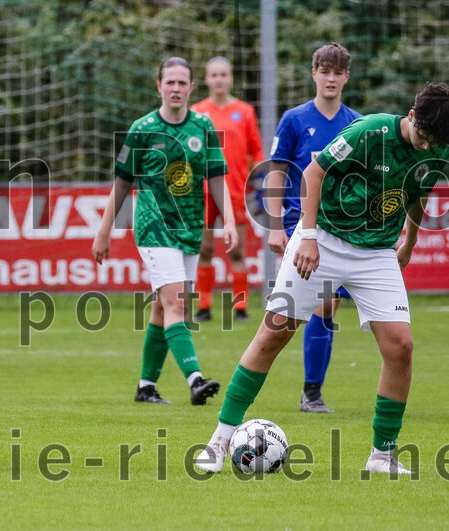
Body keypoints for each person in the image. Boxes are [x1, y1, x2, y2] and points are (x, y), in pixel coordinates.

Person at [195, 83, 449, 475]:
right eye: (424, 138)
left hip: (376, 252)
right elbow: (313, 171)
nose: (428, 147)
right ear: (412, 117)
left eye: (436, 143)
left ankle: (382, 455)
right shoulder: (368, 131)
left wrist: (409, 241)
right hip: (323, 238)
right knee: (273, 333)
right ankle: (218, 442)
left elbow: (418, 190)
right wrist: (307, 236)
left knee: (401, 346)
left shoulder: (437, 144)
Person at [93, 57, 237, 407]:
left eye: (181, 83)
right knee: (177, 303)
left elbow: (217, 178)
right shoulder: (142, 129)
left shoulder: (203, 127)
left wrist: (229, 220)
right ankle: (196, 379)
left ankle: (146, 386)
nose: (175, 88)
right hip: (154, 228)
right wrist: (104, 231)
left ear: (191, 88)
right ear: (159, 86)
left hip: (189, 228)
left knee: (162, 307)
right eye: (169, 82)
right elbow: (122, 184)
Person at [266, 42, 361, 412]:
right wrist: (274, 226)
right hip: (296, 225)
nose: (332, 78)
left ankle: (312, 392)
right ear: (314, 74)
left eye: (338, 72)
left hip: (336, 228)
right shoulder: (294, 119)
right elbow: (275, 174)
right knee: (287, 315)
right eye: (326, 71)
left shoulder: (355, 123)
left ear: (346, 77)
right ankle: (290, 384)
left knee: (327, 307)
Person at [191, 57, 264, 322]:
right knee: (205, 249)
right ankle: (204, 306)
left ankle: (240, 307)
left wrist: (258, 178)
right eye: (214, 75)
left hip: (236, 191)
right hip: (204, 191)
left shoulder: (244, 111)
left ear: (230, 78)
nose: (219, 79)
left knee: (236, 250)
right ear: (207, 79)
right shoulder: (197, 112)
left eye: (223, 74)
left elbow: (256, 150)